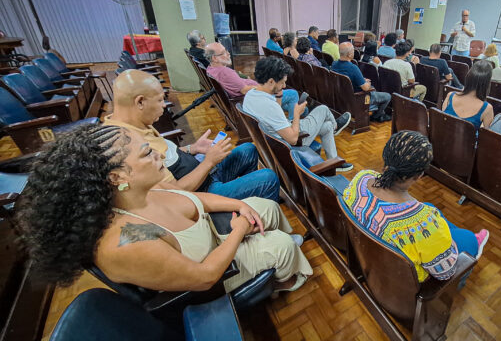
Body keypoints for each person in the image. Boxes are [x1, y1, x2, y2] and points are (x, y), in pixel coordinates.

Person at [16, 125, 312, 294]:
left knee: (266, 207)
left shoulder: (143, 190)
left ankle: (271, 246)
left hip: (212, 239)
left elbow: (200, 200)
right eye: (147, 152)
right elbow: (204, 276)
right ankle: (281, 280)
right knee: (282, 245)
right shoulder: (128, 237)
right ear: (117, 177)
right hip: (210, 274)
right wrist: (238, 232)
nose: (159, 153)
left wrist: (239, 204)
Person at [105, 69, 280, 201]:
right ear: (140, 102)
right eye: (159, 100)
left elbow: (168, 154)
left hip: (200, 172)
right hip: (199, 193)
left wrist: (192, 148)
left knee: (248, 149)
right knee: (268, 178)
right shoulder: (127, 144)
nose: (164, 105)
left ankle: (250, 203)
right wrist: (209, 161)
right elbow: (174, 194)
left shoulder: (135, 125)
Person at [343, 130, 489, 282]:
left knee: (431, 209)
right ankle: (455, 241)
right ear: (419, 176)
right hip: (404, 284)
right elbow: (445, 273)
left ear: (385, 157)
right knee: (470, 239)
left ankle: (446, 237)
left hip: (367, 252)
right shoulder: (424, 223)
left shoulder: (361, 178)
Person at [243, 57, 354, 171]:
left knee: (327, 127)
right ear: (271, 81)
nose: (285, 86)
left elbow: (277, 112)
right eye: (283, 82)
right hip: (291, 141)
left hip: (276, 138)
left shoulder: (251, 94)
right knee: (323, 109)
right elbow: (293, 139)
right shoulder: (269, 106)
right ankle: (336, 127)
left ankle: (333, 161)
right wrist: (296, 114)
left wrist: (279, 94)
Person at [205, 43, 306, 120]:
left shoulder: (211, 69)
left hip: (251, 97)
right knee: (293, 94)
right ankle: (292, 122)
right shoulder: (225, 72)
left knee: (298, 107)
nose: (228, 54)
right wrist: (265, 88)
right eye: (224, 53)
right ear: (214, 58)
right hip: (256, 98)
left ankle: (302, 111)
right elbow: (244, 90)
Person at [332, 42, 392, 122]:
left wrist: (362, 80)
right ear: (350, 54)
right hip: (358, 99)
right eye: (353, 50)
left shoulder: (334, 64)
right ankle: (376, 116)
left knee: (373, 89)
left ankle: (379, 114)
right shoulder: (353, 68)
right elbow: (366, 88)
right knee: (387, 96)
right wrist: (368, 83)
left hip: (342, 97)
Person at [442, 60, 494, 129]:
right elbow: (486, 136)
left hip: (442, 138)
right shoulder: (487, 108)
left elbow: (442, 122)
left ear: (468, 77)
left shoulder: (450, 95)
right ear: (488, 83)